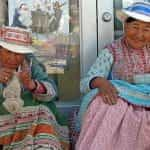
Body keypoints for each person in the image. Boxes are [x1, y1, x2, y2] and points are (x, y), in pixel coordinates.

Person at [76, 2, 150, 150]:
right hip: (121, 102)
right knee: (104, 104)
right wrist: (102, 83)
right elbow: (85, 83)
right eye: (135, 27)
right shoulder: (112, 51)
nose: (140, 35)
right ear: (125, 26)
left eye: (147, 29)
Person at [0, 26, 69, 150]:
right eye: (8, 52)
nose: (12, 58)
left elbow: (52, 91)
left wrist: (32, 84)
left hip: (31, 118)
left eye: (18, 54)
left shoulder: (30, 63)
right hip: (4, 119)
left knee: (42, 112)